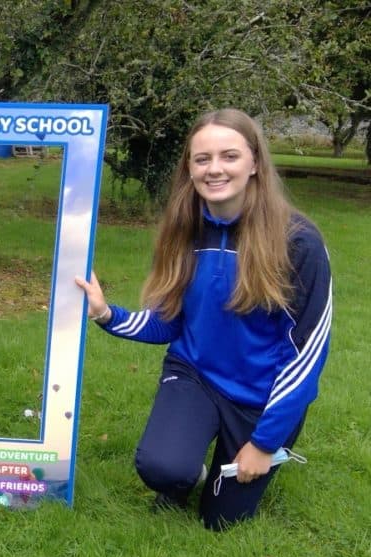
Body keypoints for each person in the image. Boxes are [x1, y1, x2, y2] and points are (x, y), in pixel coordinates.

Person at [75, 108, 332, 531]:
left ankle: (235, 464)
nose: (215, 169)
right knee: (163, 468)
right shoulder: (185, 229)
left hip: (259, 397)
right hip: (195, 375)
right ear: (190, 168)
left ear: (254, 163)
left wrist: (264, 443)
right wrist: (107, 314)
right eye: (202, 159)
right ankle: (186, 467)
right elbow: (169, 321)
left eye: (229, 156)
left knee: (221, 522)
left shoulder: (299, 241)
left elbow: (306, 355)